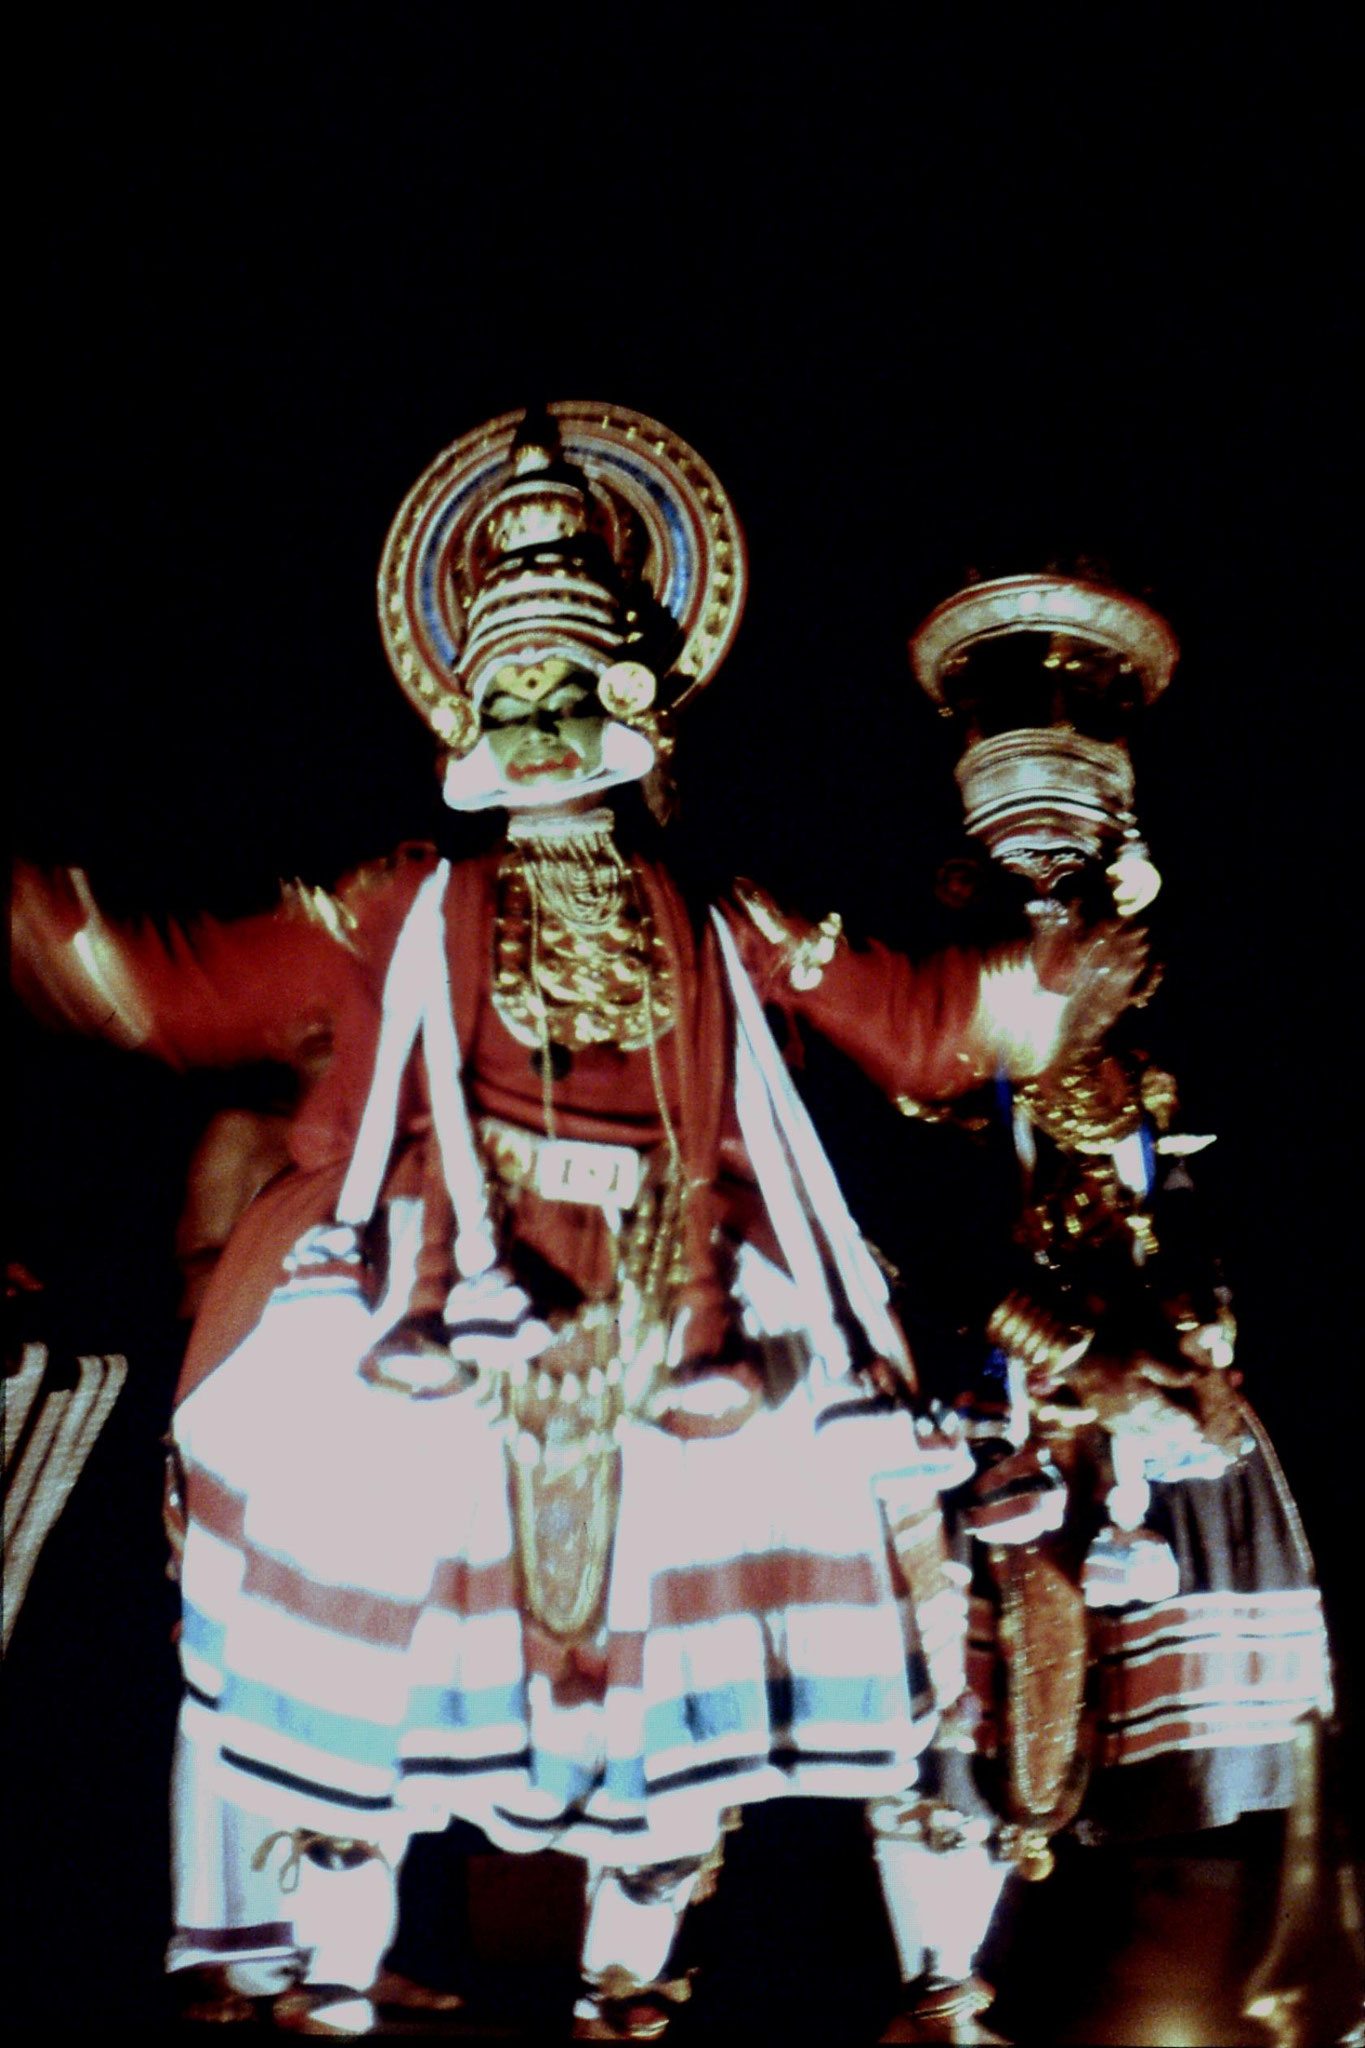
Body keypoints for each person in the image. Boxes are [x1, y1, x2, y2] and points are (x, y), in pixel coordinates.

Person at [11, 411, 1136, 2042]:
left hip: (692, 1312)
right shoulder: (405, 900)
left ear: (634, 704)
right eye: (511, 692)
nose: (538, 723)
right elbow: (193, 985)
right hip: (438, 1294)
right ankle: (329, 1983)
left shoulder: (717, 909)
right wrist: (74, 945)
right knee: (350, 1614)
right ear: (466, 715)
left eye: (566, 688)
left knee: (748, 1626)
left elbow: (908, 1019)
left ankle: (639, 1990)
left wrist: (1038, 990)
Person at [732, 572, 1337, 2035]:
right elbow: (857, 1216)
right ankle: (940, 1994)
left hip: (1151, 1417)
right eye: (1020, 812)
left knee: (1200, 1767)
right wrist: (1059, 1353)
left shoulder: (1162, 997)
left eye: (1080, 814)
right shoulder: (913, 992)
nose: (1050, 840)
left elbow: (1194, 1191)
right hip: (961, 1393)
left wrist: (1193, 1339)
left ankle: (1207, 1990)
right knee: (948, 1729)